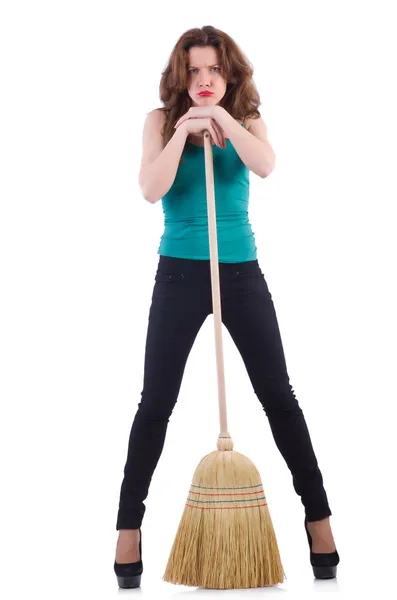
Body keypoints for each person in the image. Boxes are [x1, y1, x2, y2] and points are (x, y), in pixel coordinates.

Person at [114, 25, 339, 586]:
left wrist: (226, 123)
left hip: (240, 274)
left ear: (228, 72)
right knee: (155, 401)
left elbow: (265, 165)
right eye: (193, 71)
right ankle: (127, 529)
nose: (204, 80)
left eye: (213, 69)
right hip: (180, 273)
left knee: (279, 397)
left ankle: (319, 518)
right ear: (180, 75)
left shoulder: (248, 118)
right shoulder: (159, 121)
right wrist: (183, 130)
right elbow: (150, 189)